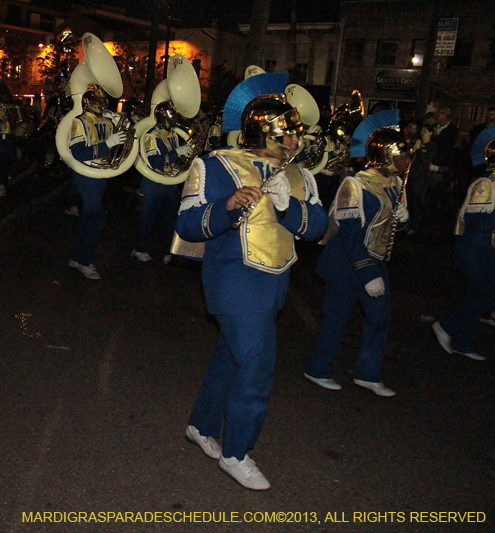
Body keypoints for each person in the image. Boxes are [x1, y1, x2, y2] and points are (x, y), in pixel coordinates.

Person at [177, 72, 328, 490]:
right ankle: (236, 453)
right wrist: (226, 205)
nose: (296, 141)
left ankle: (201, 425)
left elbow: (318, 229)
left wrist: (288, 205)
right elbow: (187, 225)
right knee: (258, 365)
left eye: (297, 134)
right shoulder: (214, 164)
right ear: (263, 132)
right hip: (232, 281)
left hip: (275, 283)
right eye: (287, 134)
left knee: (231, 357)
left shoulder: (301, 175)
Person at [304, 110, 410, 398]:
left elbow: (388, 229)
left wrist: (403, 218)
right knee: (335, 319)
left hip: (372, 259)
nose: (405, 159)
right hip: (345, 263)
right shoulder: (355, 184)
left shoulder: (395, 183)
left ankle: (367, 373)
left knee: (380, 317)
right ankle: (317, 368)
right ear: (385, 155)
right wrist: (368, 273)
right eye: (399, 154)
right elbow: (350, 235)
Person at [431, 124, 495, 362]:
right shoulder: (486, 184)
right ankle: (447, 326)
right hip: (476, 248)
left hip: (484, 247)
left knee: (480, 296)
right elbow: (476, 218)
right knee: (482, 295)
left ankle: (462, 341)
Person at [66, 85, 128, 280]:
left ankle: (77, 257)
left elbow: (115, 149)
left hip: (101, 174)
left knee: (89, 219)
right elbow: (78, 152)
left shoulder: (107, 121)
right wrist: (107, 144)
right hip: (86, 175)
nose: (102, 105)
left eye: (103, 101)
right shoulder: (80, 121)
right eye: (98, 101)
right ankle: (84, 261)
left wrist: (123, 130)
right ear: (88, 102)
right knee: (97, 219)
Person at [132, 100, 191, 263]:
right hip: (154, 183)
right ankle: (139, 248)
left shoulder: (173, 134)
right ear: (164, 116)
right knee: (147, 219)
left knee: (171, 219)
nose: (177, 117)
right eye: (173, 114)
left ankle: (169, 252)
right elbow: (153, 161)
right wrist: (177, 153)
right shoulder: (151, 135)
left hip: (170, 182)